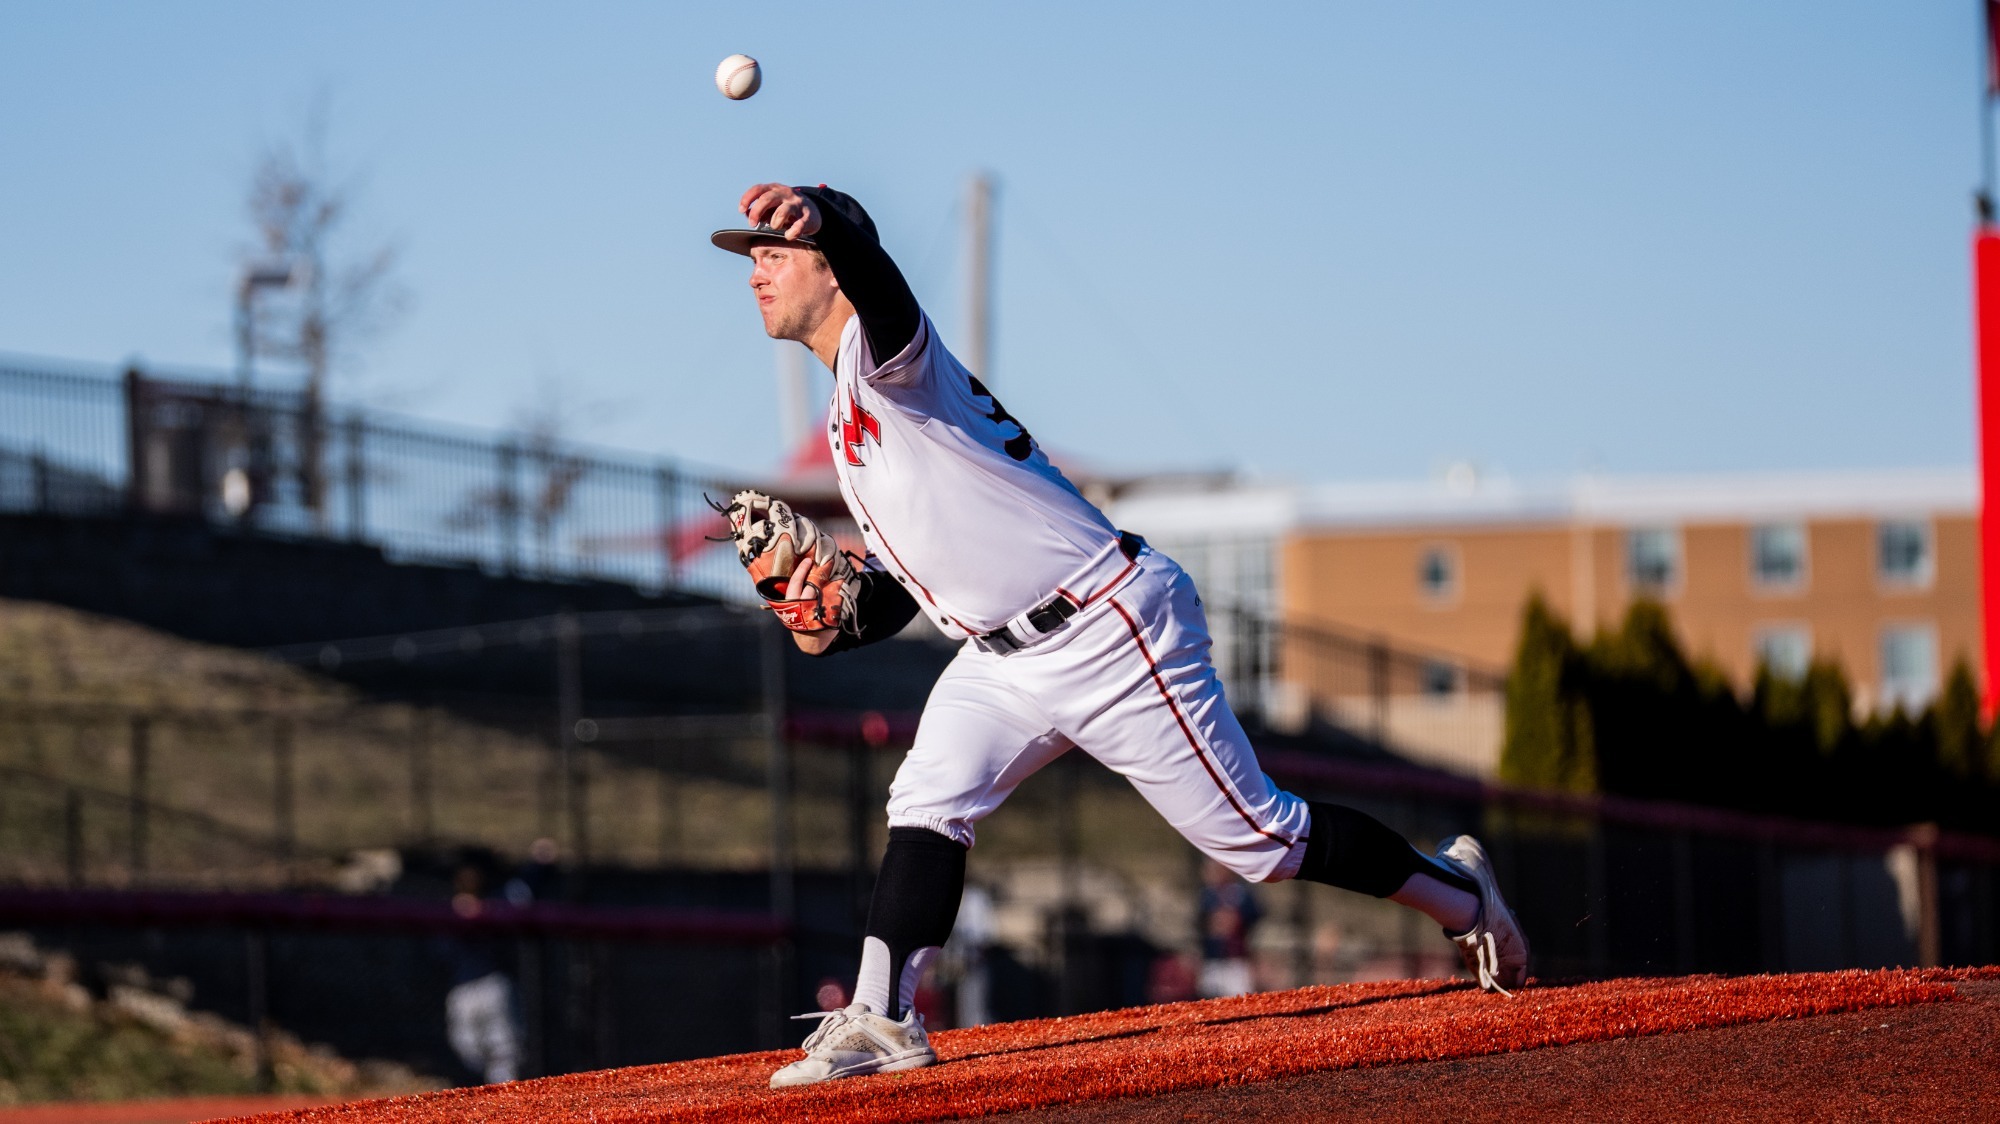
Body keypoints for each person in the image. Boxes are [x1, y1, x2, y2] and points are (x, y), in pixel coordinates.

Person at [710, 183, 1529, 1090]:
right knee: (927, 799)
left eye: (773, 252)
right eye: (750, 257)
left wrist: (828, 219)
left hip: (1107, 624)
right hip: (1001, 657)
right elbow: (913, 587)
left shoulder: (887, 355)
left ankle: (1463, 895)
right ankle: (886, 1016)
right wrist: (830, 620)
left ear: (831, 266)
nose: (756, 270)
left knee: (1257, 841)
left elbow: (884, 284)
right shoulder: (847, 417)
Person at [1196, 859, 1263, 998]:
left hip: (1236, 958)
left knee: (1239, 999)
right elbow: (1199, 921)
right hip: (1213, 958)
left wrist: (1236, 920)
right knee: (1209, 1002)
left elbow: (1255, 914)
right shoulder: (1208, 894)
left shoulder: (1240, 892)